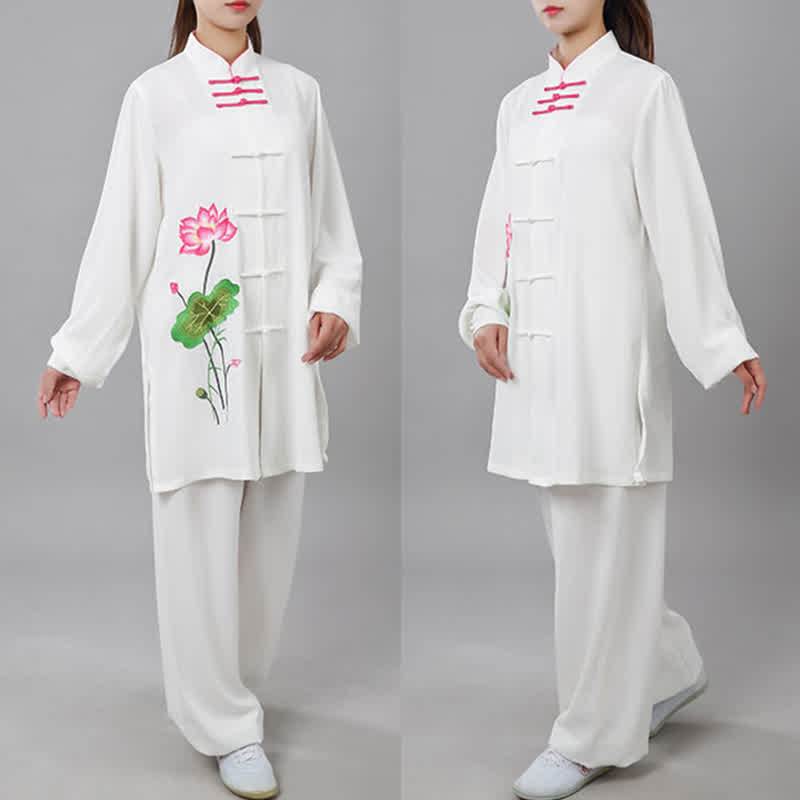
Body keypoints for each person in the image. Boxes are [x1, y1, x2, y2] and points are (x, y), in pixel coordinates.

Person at [36, 2, 362, 798]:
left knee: (270, 539)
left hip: (283, 355)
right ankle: (224, 724)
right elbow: (122, 233)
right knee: (197, 533)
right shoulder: (155, 96)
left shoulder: (299, 92)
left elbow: (333, 227)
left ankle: (233, 695)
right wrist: (78, 350)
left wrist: (335, 299)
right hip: (201, 355)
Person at [458, 1, 767, 798]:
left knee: (607, 540)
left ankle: (590, 735)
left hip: (610, 353)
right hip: (538, 361)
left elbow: (681, 223)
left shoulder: (643, 91)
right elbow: (500, 223)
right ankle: (668, 666)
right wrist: (486, 311)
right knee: (580, 545)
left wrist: (722, 340)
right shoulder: (517, 105)